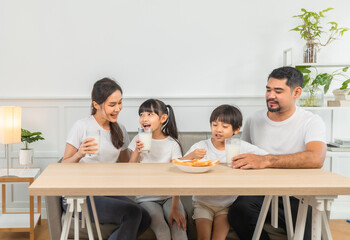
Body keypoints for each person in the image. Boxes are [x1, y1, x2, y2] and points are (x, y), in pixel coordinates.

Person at [228, 66, 327, 240]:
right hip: (260, 194)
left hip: (297, 196)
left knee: (310, 232)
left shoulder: (311, 121)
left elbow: (316, 158)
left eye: (278, 91)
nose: (270, 95)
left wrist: (266, 161)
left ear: (296, 92)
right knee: (238, 211)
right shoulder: (254, 119)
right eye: (268, 89)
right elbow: (246, 157)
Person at [62, 78, 151, 240]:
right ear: (96, 104)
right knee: (132, 213)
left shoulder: (119, 129)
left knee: (145, 216)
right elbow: (62, 166)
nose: (118, 109)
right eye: (112, 105)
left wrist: (137, 152)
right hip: (79, 196)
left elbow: (126, 166)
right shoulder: (81, 126)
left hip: (106, 192)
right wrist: (79, 154)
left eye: (120, 103)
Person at [182, 104, 268, 240]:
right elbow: (178, 164)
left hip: (227, 205)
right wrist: (191, 156)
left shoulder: (240, 146)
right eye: (215, 125)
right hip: (203, 203)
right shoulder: (201, 146)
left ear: (236, 129)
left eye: (225, 126)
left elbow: (267, 157)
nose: (218, 130)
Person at [128, 98, 188, 240]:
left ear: (163, 118)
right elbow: (129, 170)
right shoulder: (138, 138)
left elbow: (177, 177)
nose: (144, 118)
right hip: (146, 198)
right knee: (162, 230)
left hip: (169, 197)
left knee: (179, 229)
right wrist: (137, 151)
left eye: (150, 114)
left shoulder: (172, 144)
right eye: (141, 115)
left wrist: (174, 207)